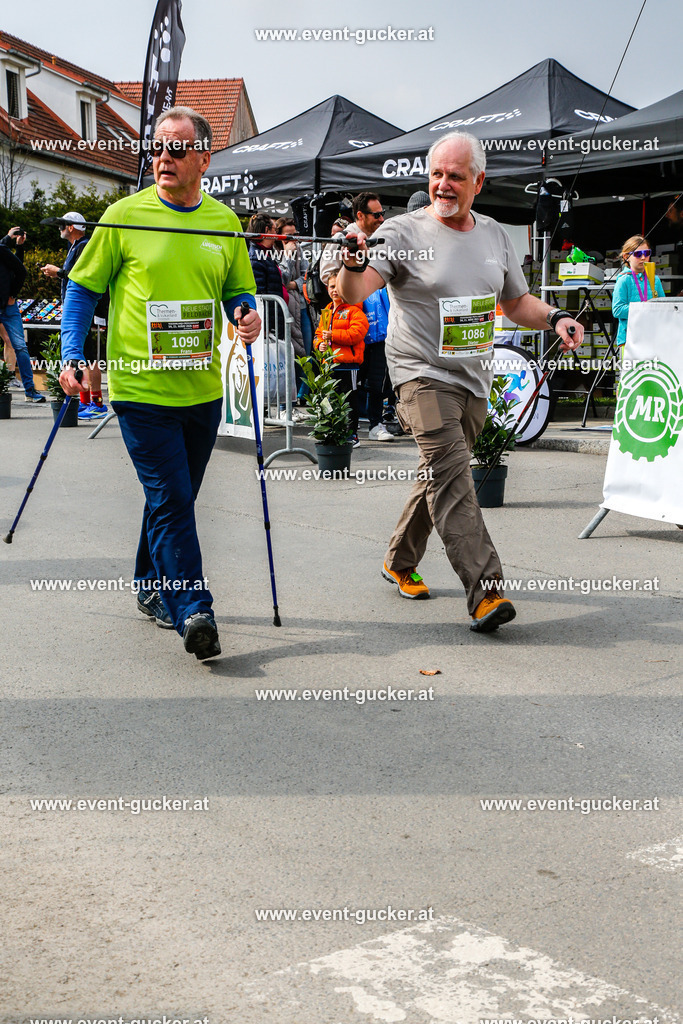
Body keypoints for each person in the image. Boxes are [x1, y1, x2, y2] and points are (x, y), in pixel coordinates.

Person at [337, 131, 583, 632]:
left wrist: (556, 316)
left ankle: (398, 561)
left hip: (472, 378)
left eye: (454, 176)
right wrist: (351, 261)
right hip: (419, 375)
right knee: (452, 474)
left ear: (478, 180)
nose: (443, 185)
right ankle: (486, 590)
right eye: (436, 175)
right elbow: (354, 291)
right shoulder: (402, 232)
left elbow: (516, 303)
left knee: (438, 474)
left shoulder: (493, 236)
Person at [59, 106, 260, 660]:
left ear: (204, 158)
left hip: (202, 391)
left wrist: (246, 314)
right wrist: (72, 352)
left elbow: (238, 291)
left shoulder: (223, 222)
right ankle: (193, 606)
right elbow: (81, 290)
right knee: (172, 498)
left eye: (176, 149)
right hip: (140, 390)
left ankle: (151, 585)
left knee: (174, 497)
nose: (163, 158)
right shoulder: (124, 215)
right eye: (157, 148)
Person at [41, 212, 108, 419]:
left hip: (89, 310)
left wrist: (57, 272)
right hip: (83, 309)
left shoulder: (83, 246)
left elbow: (81, 278)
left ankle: (96, 403)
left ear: (71, 227)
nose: (60, 229)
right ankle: (87, 402)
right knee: (85, 357)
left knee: (89, 357)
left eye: (62, 225)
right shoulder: (76, 247)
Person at [313, 270, 367, 446]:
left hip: (347, 365)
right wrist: (319, 344)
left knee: (349, 400)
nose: (334, 290)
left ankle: (352, 434)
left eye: (338, 286)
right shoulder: (327, 310)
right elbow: (319, 334)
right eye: (331, 286)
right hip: (329, 365)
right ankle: (330, 431)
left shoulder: (354, 309)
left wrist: (332, 336)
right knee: (327, 400)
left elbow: (357, 333)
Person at [0, 226, 46, 403]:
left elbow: (19, 269)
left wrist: (13, 294)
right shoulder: (3, 247)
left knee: (19, 346)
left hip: (7, 305)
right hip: (6, 305)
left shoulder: (2, 249)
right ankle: (28, 389)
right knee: (16, 345)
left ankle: (30, 390)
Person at [611, 235, 665, 351]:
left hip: (653, 335)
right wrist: (643, 307)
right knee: (633, 369)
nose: (643, 257)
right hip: (630, 338)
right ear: (626, 257)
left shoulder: (655, 279)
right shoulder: (624, 279)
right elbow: (617, 310)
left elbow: (664, 305)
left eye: (647, 253)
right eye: (638, 254)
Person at [361, 286, 394, 441]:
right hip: (355, 336)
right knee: (350, 385)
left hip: (381, 336)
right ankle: (345, 428)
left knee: (377, 383)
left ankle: (375, 424)